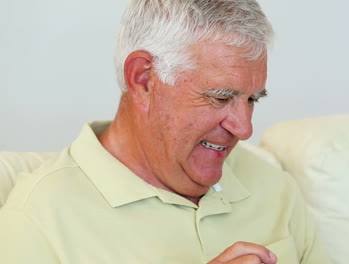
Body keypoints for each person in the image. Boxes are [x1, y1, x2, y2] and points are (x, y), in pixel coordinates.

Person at [0, 0, 331, 263]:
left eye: (252, 99)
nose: (244, 129)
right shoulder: (38, 219)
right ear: (144, 80)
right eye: (220, 97)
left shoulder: (275, 188)